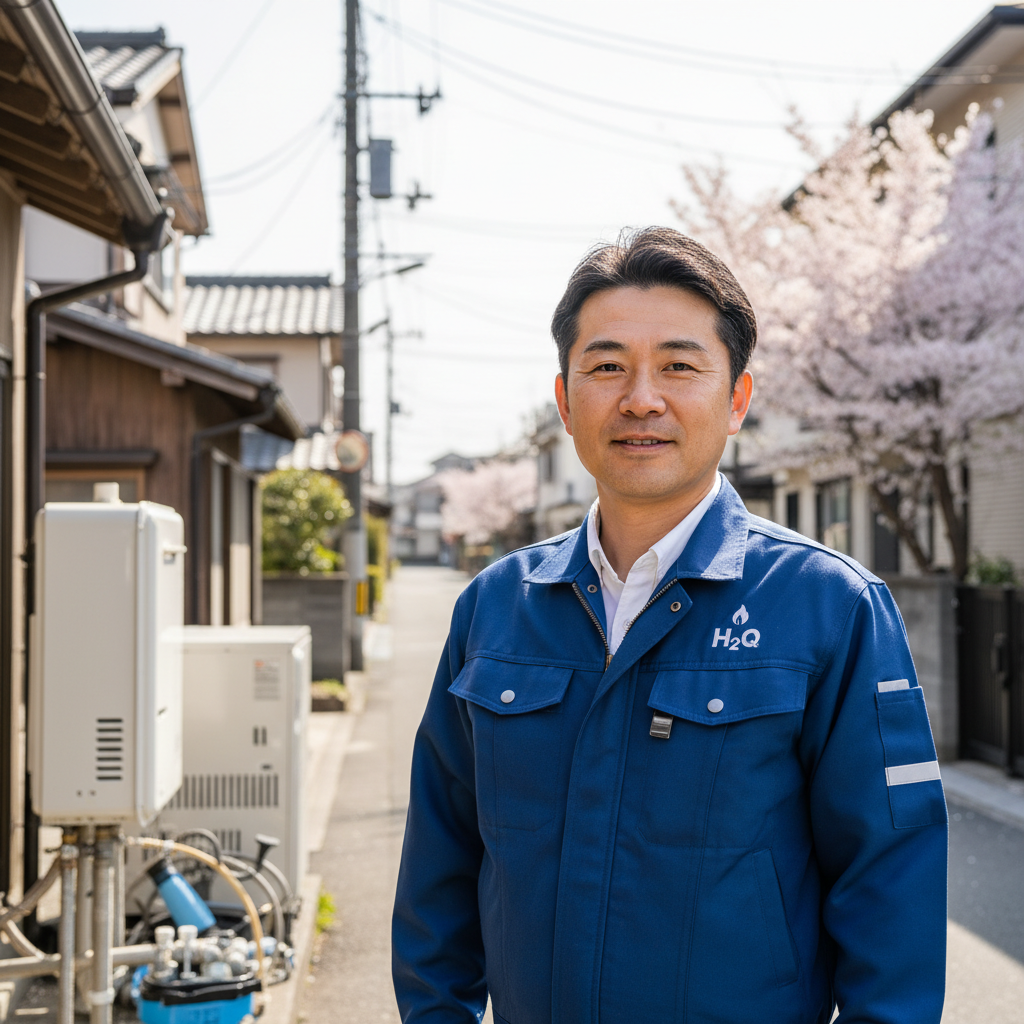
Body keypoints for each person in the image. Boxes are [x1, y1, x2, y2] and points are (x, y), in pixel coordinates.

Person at [392, 227, 947, 1024]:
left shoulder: (830, 606)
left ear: (736, 401)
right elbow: (436, 877)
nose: (641, 398)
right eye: (607, 366)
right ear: (564, 401)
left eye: (680, 366)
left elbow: (892, 889)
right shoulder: (495, 608)